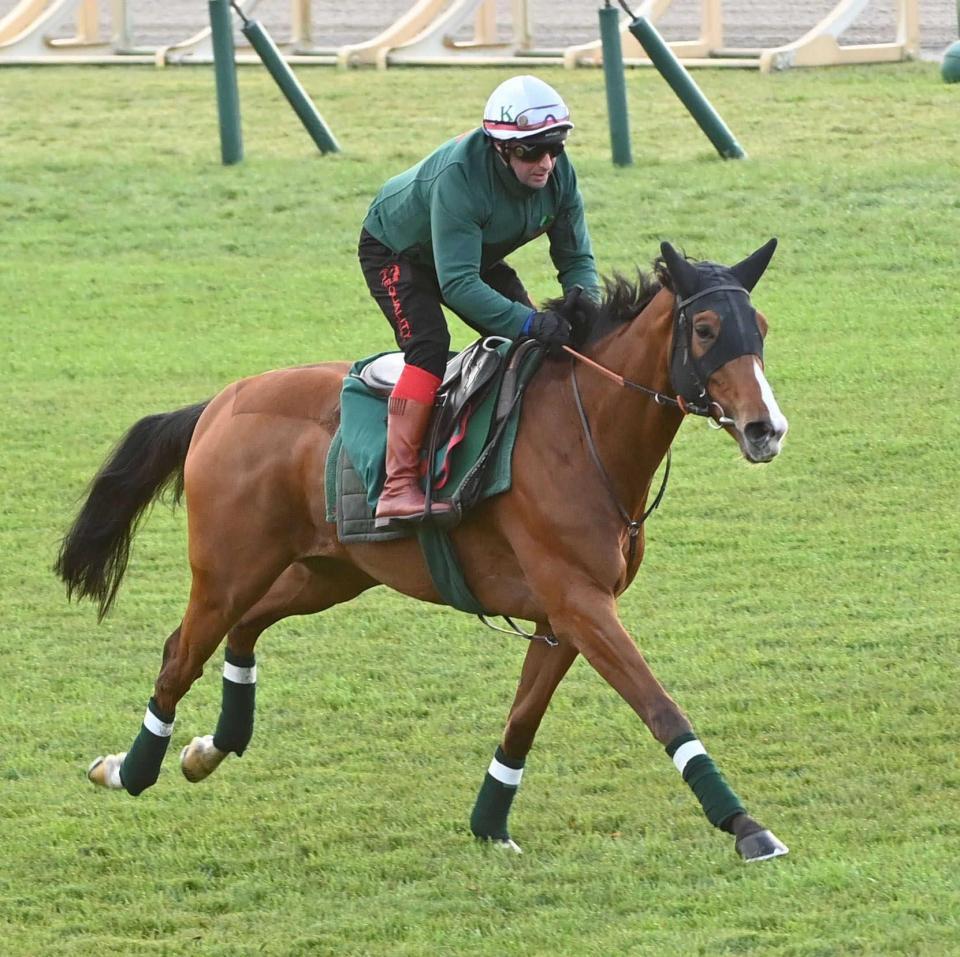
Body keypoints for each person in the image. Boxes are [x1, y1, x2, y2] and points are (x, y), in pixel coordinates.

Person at [358, 74, 601, 527]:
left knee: (539, 347)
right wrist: (529, 322)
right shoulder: (461, 178)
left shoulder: (559, 176)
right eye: (531, 151)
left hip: (472, 250)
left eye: (555, 148)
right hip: (399, 251)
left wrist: (586, 307)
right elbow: (457, 285)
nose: (545, 163)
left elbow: (577, 259)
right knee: (429, 346)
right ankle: (397, 487)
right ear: (501, 148)